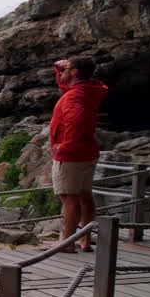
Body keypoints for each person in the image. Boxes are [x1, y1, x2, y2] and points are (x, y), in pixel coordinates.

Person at [49, 56, 108, 252]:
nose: (63, 72)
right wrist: (60, 70)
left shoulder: (74, 97)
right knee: (84, 196)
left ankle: (67, 243)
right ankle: (84, 239)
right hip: (87, 151)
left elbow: (77, 122)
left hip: (71, 156)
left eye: (67, 69)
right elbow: (67, 88)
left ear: (74, 72)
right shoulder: (87, 91)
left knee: (69, 198)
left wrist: (64, 146)